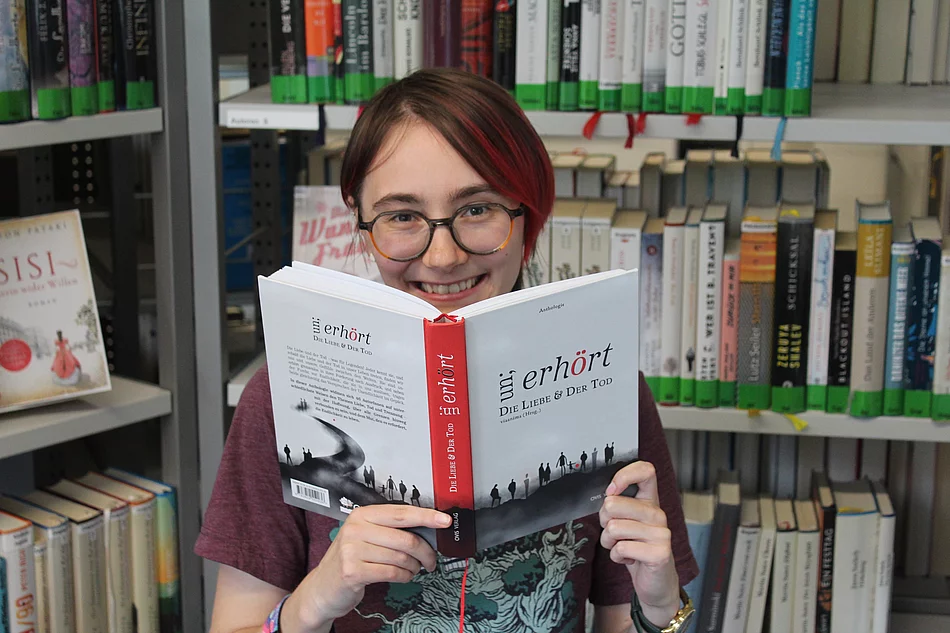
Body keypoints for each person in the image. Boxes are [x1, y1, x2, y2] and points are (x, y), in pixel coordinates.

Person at [196, 68, 697, 633]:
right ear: (363, 227)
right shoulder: (283, 396)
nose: (442, 257)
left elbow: (621, 617)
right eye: (403, 217)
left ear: (527, 216)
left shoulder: (608, 390)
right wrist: (316, 597)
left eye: (476, 209)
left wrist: (658, 609)